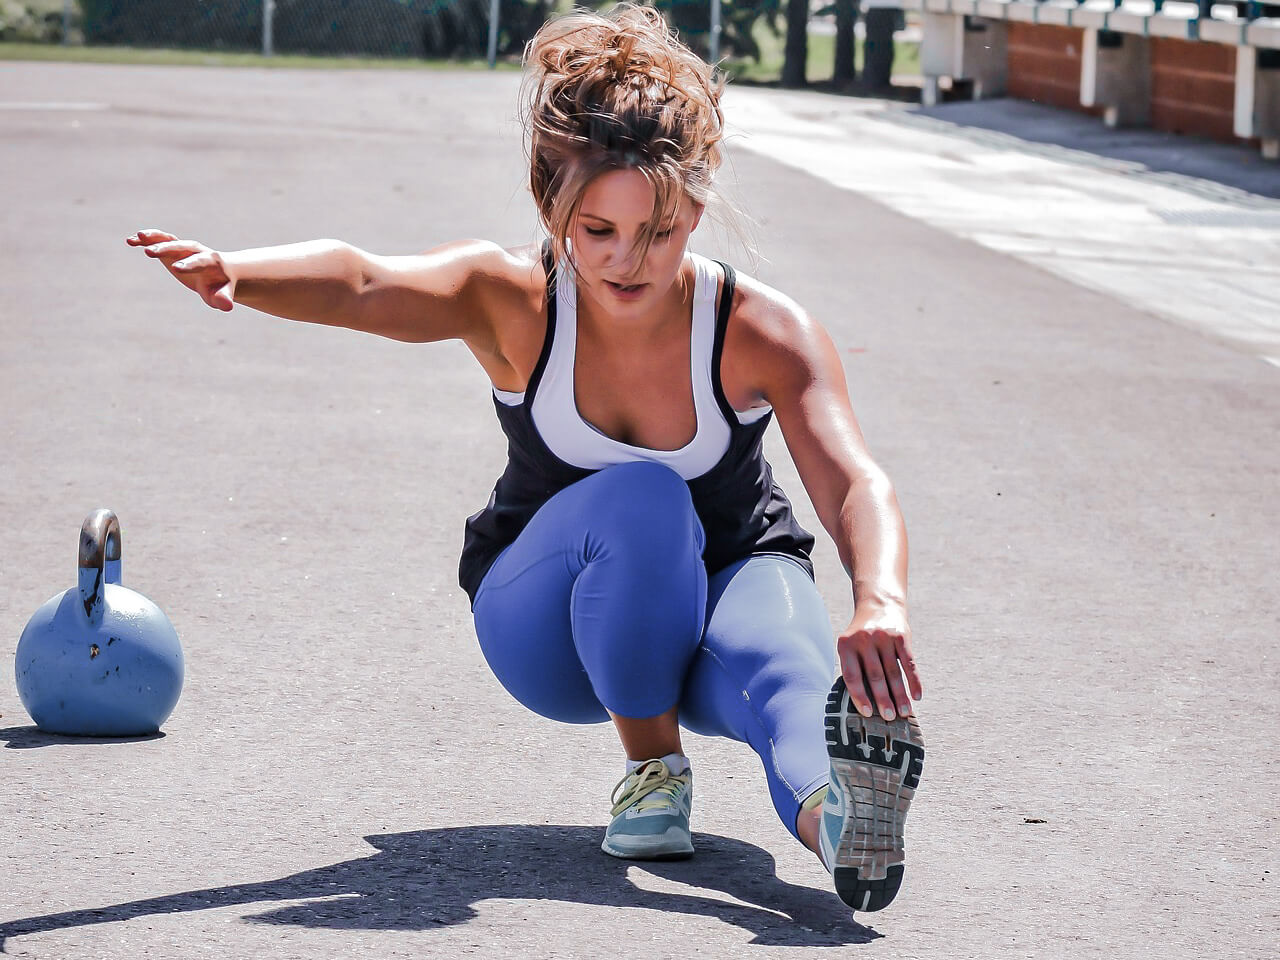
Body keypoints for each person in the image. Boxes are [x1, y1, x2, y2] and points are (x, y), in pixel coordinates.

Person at [126, 3, 925, 914]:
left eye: (658, 233)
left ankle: (844, 830)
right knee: (645, 499)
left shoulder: (763, 330)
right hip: (547, 628)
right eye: (598, 232)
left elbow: (853, 479)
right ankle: (651, 766)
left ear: (696, 207)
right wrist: (240, 270)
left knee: (790, 675)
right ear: (554, 208)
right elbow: (364, 279)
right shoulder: (510, 299)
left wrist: (881, 601)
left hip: (719, 593)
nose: (628, 261)